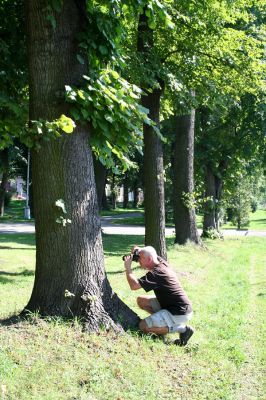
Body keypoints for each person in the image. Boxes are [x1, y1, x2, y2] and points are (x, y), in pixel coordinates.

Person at [123, 245, 194, 346]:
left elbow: (134, 286)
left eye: (140, 259)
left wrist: (128, 268)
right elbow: (148, 251)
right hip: (174, 306)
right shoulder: (160, 262)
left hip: (179, 312)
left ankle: (182, 329)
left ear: (149, 259)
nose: (138, 261)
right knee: (141, 300)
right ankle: (161, 324)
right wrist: (138, 250)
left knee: (143, 326)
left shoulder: (157, 273)